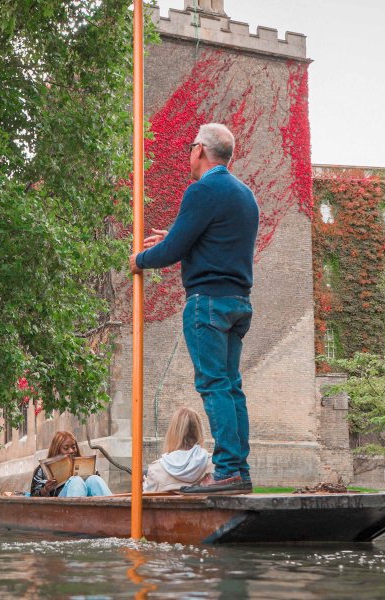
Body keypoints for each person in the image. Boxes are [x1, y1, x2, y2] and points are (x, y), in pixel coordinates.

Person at [130, 123, 258, 495]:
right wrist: (171, 236)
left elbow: (171, 253)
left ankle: (229, 470)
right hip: (239, 303)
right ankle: (240, 470)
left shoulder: (201, 191)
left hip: (207, 303)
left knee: (214, 384)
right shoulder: (245, 195)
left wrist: (140, 259)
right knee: (232, 386)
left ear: (200, 149)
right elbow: (211, 238)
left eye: (190, 147)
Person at [143, 407, 214, 492]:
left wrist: (145, 487)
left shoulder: (156, 469)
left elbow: (148, 499)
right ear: (199, 431)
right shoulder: (215, 464)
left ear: (172, 432)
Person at [29, 431, 112, 498]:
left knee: (94, 479)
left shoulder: (86, 463)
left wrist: (93, 473)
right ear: (56, 450)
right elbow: (33, 498)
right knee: (75, 480)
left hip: (87, 501)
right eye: (66, 448)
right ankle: (73, 517)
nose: (71, 450)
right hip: (58, 507)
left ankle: (113, 514)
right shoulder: (42, 470)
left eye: (73, 447)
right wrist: (45, 490)